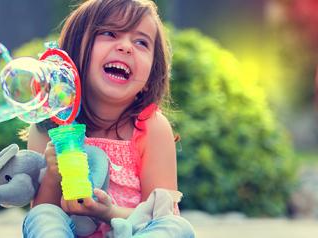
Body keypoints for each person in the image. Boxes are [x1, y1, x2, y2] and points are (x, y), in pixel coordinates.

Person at [22, 0, 195, 237]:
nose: (126, 47)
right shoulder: (49, 125)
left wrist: (109, 211)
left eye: (141, 42)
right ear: (72, 55)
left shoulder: (152, 127)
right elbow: (42, 213)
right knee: (42, 217)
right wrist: (53, 174)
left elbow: (160, 214)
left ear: (149, 77)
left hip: (132, 232)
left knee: (176, 226)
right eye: (109, 33)